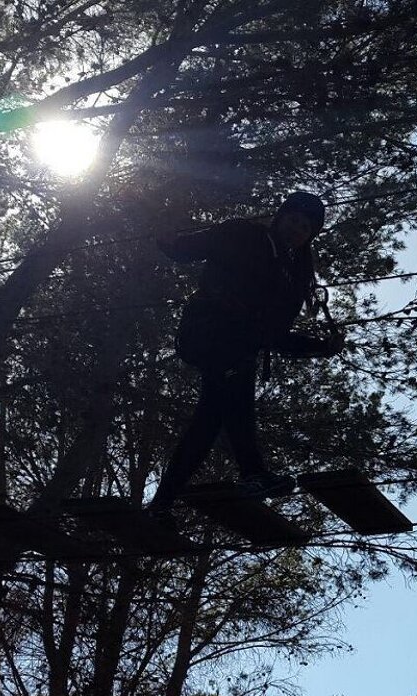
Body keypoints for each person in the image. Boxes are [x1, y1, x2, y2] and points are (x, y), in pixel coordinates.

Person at [147, 191, 344, 517]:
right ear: (281, 217)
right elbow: (193, 247)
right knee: (234, 383)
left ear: (309, 236)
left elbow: (276, 337)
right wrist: (169, 241)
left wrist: (322, 347)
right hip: (210, 332)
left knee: (208, 423)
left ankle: (161, 505)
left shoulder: (292, 279)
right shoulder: (242, 235)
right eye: (294, 220)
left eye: (305, 227)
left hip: (238, 348)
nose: (297, 229)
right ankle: (253, 472)